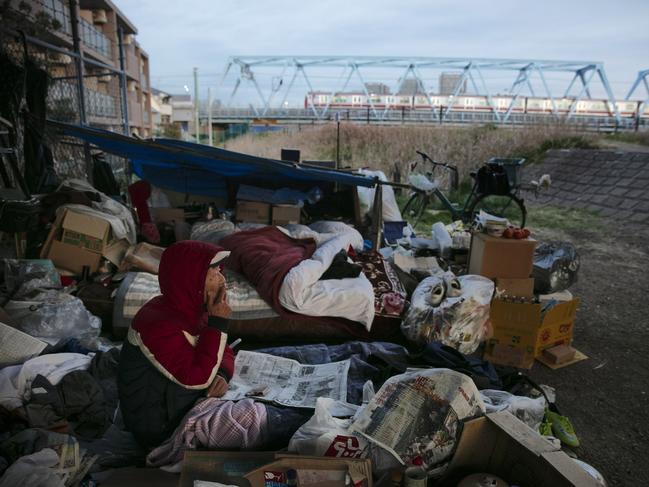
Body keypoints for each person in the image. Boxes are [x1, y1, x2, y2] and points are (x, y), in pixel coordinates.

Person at [117, 241, 235, 448]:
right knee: (262, 420)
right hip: (160, 428)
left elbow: (223, 350)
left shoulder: (193, 308)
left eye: (219, 269)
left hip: (183, 403)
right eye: (213, 271)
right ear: (191, 278)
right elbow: (195, 378)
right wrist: (218, 324)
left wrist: (223, 373)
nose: (222, 278)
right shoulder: (157, 323)